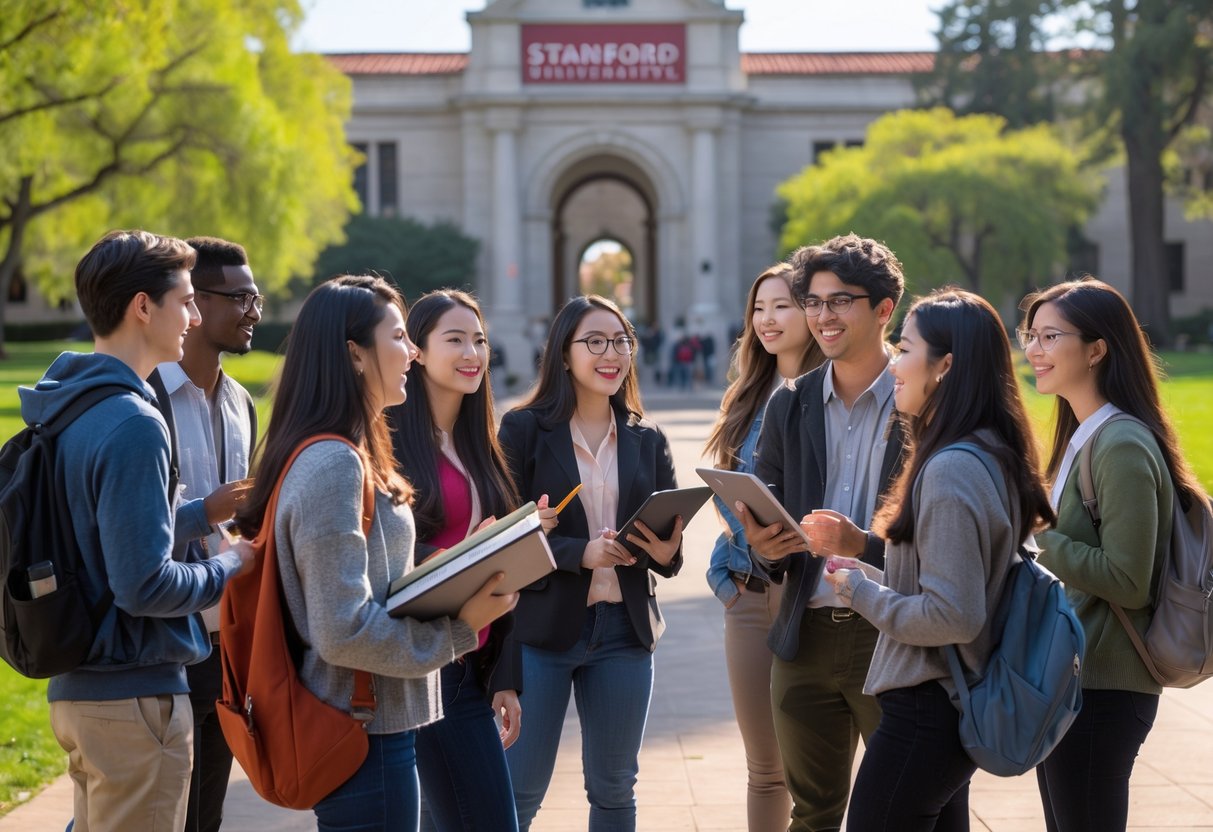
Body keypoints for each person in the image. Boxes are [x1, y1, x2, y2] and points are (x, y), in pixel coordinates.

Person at [233, 275, 517, 832]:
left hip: (380, 728)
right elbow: (342, 630)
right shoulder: (335, 465)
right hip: (363, 733)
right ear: (355, 355)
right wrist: (463, 628)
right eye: (398, 337)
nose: (412, 350)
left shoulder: (351, 453)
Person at [24, 229, 252, 832]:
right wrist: (231, 566)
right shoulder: (135, 423)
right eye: (186, 301)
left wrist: (201, 514)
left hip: (81, 690)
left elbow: (101, 529)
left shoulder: (73, 399)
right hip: (133, 699)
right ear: (143, 307)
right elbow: (144, 585)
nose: (195, 316)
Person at [818, 289, 1055, 830]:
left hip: (928, 704)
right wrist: (873, 575)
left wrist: (860, 592)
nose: (894, 364)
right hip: (944, 702)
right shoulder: (983, 450)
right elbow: (953, 585)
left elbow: (954, 614)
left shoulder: (953, 469)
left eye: (904, 349)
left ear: (945, 366)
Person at [736, 234, 907, 832]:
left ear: (884, 310)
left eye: (840, 302)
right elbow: (769, 511)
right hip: (802, 637)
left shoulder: (922, 403)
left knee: (906, 810)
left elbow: (945, 534)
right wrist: (763, 545)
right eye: (813, 301)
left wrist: (861, 543)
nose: (821, 316)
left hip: (894, 635)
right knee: (812, 814)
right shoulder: (791, 403)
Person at [1021, 279, 1205, 832]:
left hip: (1103, 686)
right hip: (1070, 678)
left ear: (1097, 349)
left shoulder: (1121, 443)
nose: (1034, 350)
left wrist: (1035, 534)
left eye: (1051, 336)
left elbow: (1128, 580)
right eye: (1030, 335)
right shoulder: (1083, 434)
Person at [498, 295, 684, 831]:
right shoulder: (522, 431)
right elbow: (504, 541)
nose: (612, 354)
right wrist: (580, 553)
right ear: (563, 354)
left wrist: (667, 554)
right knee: (521, 791)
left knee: (614, 790)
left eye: (622, 341)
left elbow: (668, 545)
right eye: (595, 342)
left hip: (625, 632)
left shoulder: (647, 439)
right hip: (541, 633)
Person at [386, 290, 555, 832]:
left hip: (472, 668)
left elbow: (497, 576)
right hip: (426, 664)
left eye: (479, 340)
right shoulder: (389, 444)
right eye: (454, 339)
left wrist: (503, 678)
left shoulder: (478, 442)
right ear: (417, 351)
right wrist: (467, 553)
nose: (472, 353)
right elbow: (389, 557)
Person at [702, 263, 824, 831]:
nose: (767, 319)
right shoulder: (747, 395)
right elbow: (728, 492)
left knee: (820, 776)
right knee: (766, 770)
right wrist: (731, 566)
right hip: (749, 597)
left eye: (782, 305)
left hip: (817, 599)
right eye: (759, 308)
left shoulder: (834, 393)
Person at [151, 236, 261, 832]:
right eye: (240, 297)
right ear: (195, 304)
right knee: (149, 813)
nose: (253, 311)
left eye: (256, 297)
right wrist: (204, 510)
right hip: (161, 640)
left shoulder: (243, 402)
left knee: (206, 813)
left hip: (227, 644)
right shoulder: (145, 398)